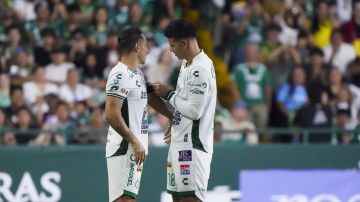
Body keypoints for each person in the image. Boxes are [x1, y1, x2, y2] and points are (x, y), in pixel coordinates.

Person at [104, 27, 172, 202]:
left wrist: (173, 117)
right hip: (125, 148)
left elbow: (149, 98)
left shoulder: (138, 74)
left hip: (135, 149)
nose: (148, 50)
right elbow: (111, 113)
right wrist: (134, 142)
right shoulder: (120, 74)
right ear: (136, 46)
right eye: (145, 45)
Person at [153, 19, 217, 202]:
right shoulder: (187, 64)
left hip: (193, 148)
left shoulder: (200, 69)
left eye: (173, 45)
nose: (171, 50)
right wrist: (175, 122)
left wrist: (168, 94)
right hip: (179, 143)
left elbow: (195, 111)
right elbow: (185, 103)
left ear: (185, 43)